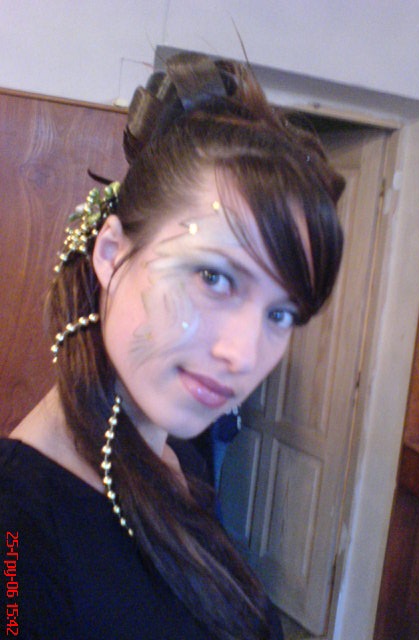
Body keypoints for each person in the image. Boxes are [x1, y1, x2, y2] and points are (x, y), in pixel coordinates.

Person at [0, 52, 344, 639]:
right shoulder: (18, 532)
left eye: (281, 313)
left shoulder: (176, 453)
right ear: (111, 254)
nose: (244, 356)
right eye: (213, 277)